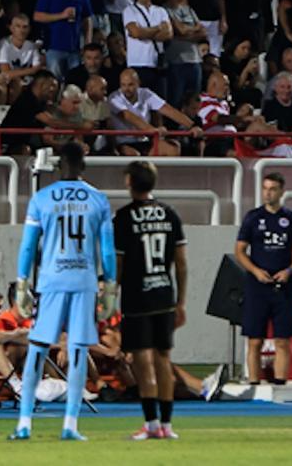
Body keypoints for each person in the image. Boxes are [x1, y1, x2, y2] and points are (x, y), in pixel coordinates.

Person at [8, 141, 116, 441]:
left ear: (59, 166)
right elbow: (107, 250)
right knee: (79, 349)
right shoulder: (98, 199)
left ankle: (24, 422)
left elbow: (29, 246)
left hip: (52, 282)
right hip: (83, 282)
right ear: (83, 165)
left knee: (39, 348)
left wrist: (22, 282)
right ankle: (70, 424)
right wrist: (110, 287)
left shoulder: (42, 198)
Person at [113, 160, 188, 439]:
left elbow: (118, 265)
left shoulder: (122, 217)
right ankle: (168, 426)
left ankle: (151, 423)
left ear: (130, 182)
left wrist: (109, 297)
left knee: (142, 360)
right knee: (164, 358)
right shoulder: (170, 214)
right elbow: (181, 263)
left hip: (136, 297)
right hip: (164, 295)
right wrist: (181, 302)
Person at [235, 172, 292, 386]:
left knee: (282, 340)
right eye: (265, 188)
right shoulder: (252, 217)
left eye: (272, 189)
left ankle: (280, 383)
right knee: (255, 340)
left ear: (281, 191)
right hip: (257, 287)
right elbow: (240, 251)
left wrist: (289, 270)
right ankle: (253, 383)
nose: (268, 193)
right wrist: (256, 271)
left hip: (283, 286)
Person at [108, 68, 202, 156]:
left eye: (130, 85)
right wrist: (153, 130)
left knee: (173, 148)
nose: (126, 89)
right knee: (135, 155)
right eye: (123, 85)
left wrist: (193, 126)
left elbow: (168, 110)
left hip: (145, 140)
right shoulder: (114, 98)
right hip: (123, 143)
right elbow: (130, 117)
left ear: (138, 83)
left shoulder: (146, 93)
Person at [33, 0, 93, 79]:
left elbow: (87, 19)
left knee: (75, 81)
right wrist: (61, 15)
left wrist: (87, 43)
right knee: (54, 80)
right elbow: (37, 16)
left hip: (75, 48)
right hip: (54, 47)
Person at [123, 0, 171, 98]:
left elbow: (168, 34)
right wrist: (158, 28)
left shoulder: (161, 11)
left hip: (157, 65)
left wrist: (145, 32)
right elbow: (136, 33)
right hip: (138, 64)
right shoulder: (129, 11)